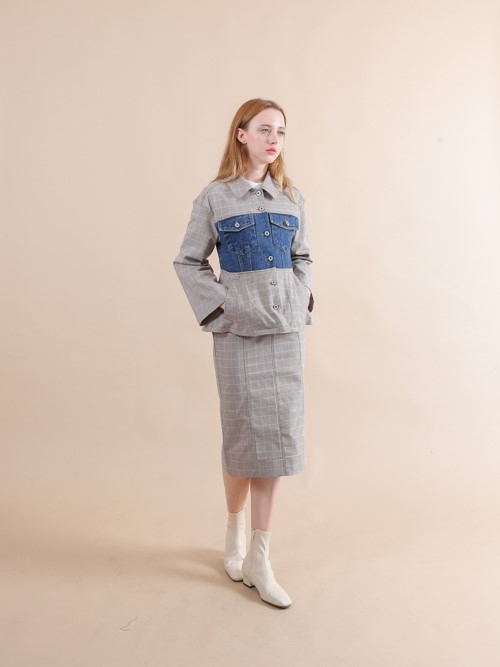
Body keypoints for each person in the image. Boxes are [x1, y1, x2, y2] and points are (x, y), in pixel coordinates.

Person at [173, 98, 313, 609]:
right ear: (242, 134)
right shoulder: (215, 197)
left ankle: (260, 556)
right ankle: (233, 535)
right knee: (242, 436)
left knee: (277, 440)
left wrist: (300, 301)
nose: (274, 140)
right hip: (237, 335)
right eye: (265, 129)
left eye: (281, 132)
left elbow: (302, 257)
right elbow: (188, 261)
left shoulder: (291, 197)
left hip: (284, 333)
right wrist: (222, 311)